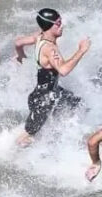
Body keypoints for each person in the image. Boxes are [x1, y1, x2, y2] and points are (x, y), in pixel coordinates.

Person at [13, 9, 90, 147]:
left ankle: (72, 133)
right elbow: (63, 70)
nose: (62, 26)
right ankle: (12, 156)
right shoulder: (50, 49)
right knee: (26, 137)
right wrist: (82, 50)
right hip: (43, 100)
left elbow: (18, 42)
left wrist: (20, 55)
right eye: (58, 23)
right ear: (49, 25)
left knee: (78, 103)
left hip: (50, 93)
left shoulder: (39, 37)